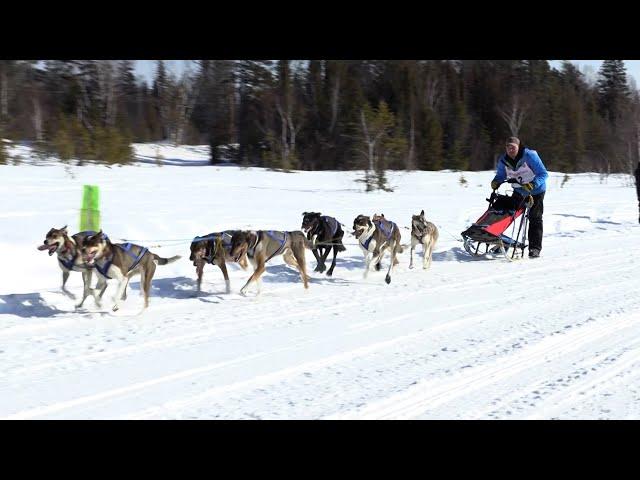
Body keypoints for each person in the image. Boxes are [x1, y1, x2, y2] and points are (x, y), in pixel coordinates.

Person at [491, 136, 548, 258]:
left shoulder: (530, 155)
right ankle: (502, 241)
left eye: (513, 147)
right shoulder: (503, 160)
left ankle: (534, 248)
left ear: (519, 147)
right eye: (508, 147)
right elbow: (501, 175)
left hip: (536, 191)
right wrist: (496, 181)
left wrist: (533, 184)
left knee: (535, 218)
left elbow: (543, 174)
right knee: (507, 213)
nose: (510, 150)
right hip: (519, 191)